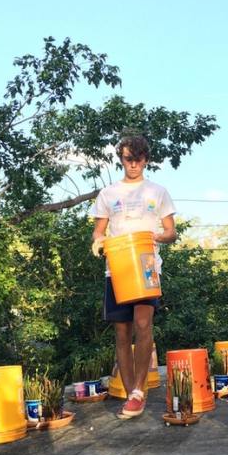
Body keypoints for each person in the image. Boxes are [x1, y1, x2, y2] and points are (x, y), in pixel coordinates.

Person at [91, 135, 177, 419]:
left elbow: (171, 231)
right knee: (122, 331)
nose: (134, 164)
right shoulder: (108, 194)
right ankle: (130, 394)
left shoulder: (157, 191)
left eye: (139, 159)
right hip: (116, 268)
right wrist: (98, 241)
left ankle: (139, 391)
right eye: (128, 159)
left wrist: (157, 236)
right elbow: (99, 231)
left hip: (146, 264)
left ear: (146, 160)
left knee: (143, 324)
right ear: (121, 159)